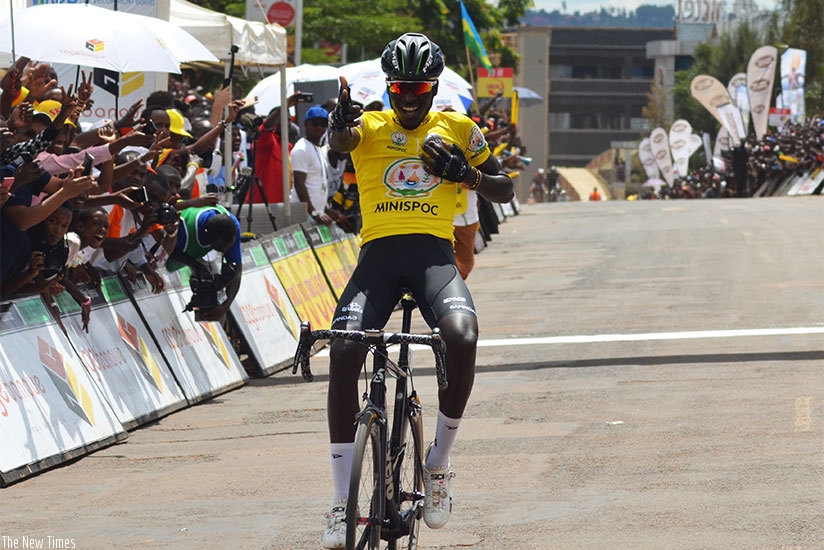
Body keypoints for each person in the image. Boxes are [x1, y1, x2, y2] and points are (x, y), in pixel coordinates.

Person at [322, 32, 514, 548]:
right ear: (389, 87)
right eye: (400, 87)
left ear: (433, 89)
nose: (408, 98)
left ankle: (438, 464)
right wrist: (339, 123)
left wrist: (466, 173)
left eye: (419, 88)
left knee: (463, 336)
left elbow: (506, 187)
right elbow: (342, 143)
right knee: (342, 351)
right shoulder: (368, 125)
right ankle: (342, 503)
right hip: (379, 259)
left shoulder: (458, 128)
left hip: (433, 257)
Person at [165, 203, 243, 322]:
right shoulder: (184, 228)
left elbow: (237, 271)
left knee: (214, 291)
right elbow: (164, 251)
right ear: (208, 236)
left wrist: (224, 307)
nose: (225, 251)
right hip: (168, 260)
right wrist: (194, 264)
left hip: (199, 254)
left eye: (229, 246)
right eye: (221, 247)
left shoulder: (232, 226)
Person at [290, 104, 331, 223]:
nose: (319, 128)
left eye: (323, 125)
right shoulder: (302, 149)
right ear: (306, 124)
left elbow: (318, 182)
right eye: (315, 124)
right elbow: (299, 184)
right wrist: (313, 212)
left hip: (316, 213)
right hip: (305, 214)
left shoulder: (319, 148)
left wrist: (327, 210)